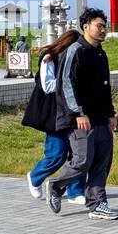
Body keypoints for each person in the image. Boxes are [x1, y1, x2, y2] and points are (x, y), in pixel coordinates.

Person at [46, 8, 118, 220]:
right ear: (86, 27)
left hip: (100, 117)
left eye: (105, 26)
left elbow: (106, 87)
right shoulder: (76, 50)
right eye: (100, 26)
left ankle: (97, 204)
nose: (103, 30)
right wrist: (78, 113)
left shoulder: (100, 53)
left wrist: (111, 114)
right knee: (82, 160)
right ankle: (55, 186)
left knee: (102, 161)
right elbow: (68, 84)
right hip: (80, 118)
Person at [23, 29, 86, 206]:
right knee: (57, 154)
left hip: (74, 112)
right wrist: (69, 84)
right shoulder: (49, 58)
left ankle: (76, 192)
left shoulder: (78, 60)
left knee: (78, 155)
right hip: (55, 113)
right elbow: (47, 85)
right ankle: (35, 176)